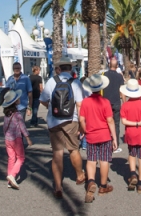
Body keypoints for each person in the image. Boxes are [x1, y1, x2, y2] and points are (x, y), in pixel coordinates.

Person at [40, 57, 85, 199]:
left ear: (59, 68)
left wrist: (51, 108)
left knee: (57, 153)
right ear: (70, 69)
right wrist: (82, 123)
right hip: (71, 120)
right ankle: (79, 175)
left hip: (54, 121)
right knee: (73, 149)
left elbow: (42, 99)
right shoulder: (75, 82)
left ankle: (58, 186)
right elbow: (79, 104)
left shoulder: (52, 81)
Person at [79, 73, 117, 203]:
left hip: (91, 135)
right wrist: (115, 138)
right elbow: (110, 120)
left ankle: (90, 182)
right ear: (101, 88)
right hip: (105, 135)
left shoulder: (85, 102)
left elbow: (81, 119)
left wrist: (83, 130)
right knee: (104, 160)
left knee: (91, 160)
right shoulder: (105, 102)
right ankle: (103, 186)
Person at [120, 78, 141, 193]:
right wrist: (139, 123)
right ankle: (140, 183)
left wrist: (134, 123)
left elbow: (124, 121)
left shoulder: (125, 105)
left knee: (132, 154)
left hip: (130, 133)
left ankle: (133, 174)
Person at [1, 89, 32, 190]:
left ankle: (10, 181)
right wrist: (27, 138)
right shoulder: (18, 115)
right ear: (15, 102)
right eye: (17, 98)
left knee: (11, 158)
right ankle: (13, 175)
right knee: (21, 158)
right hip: (16, 139)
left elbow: (4, 127)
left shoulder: (7, 114)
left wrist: (5, 135)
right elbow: (22, 127)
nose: (19, 99)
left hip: (7, 139)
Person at [102, 58, 125, 153]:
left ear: (108, 64)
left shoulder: (104, 75)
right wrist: (125, 102)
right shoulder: (119, 77)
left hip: (105, 103)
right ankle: (116, 145)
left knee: (106, 124)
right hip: (116, 102)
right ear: (117, 66)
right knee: (116, 124)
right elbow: (122, 90)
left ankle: (106, 144)